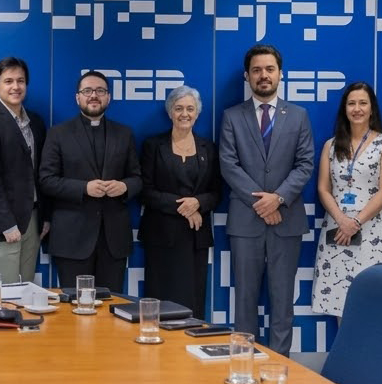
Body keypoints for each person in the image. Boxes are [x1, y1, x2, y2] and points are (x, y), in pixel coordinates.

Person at [219, 44, 315, 357]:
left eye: (269, 69)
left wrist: (279, 199)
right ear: (247, 76)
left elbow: (305, 164)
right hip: (246, 222)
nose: (264, 75)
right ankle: (243, 362)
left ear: (280, 74)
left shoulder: (299, 116)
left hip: (286, 220)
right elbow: (229, 165)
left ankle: (280, 366)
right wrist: (262, 203)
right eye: (257, 70)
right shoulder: (232, 116)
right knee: (245, 298)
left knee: (282, 299)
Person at [39, 70, 141, 293]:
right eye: (88, 91)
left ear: (109, 97)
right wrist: (84, 188)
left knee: (111, 309)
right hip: (72, 240)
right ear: (78, 97)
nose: (94, 95)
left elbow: (137, 178)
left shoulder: (124, 134)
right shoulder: (58, 133)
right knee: (74, 311)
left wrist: (124, 187)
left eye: (100, 91)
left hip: (113, 241)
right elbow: (46, 180)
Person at [310, 82, 382, 317]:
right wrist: (342, 220)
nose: (357, 108)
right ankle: (348, 354)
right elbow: (323, 189)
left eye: (362, 103)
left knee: (374, 300)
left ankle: (374, 355)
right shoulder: (330, 145)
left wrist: (356, 222)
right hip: (338, 230)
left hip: (371, 231)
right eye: (351, 103)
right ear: (344, 109)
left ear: (372, 109)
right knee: (340, 299)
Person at [139, 85, 221, 319]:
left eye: (190, 109)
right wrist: (185, 207)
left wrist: (198, 203)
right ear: (170, 112)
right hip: (160, 237)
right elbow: (145, 190)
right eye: (178, 108)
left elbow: (216, 192)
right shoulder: (153, 146)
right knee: (160, 304)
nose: (184, 114)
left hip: (195, 238)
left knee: (192, 304)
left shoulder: (208, 148)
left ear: (197, 113)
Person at [0, 57, 48, 285]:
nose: (15, 87)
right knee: (4, 295)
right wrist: (7, 223)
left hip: (32, 219)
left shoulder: (35, 121)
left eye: (20, 81)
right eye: (8, 81)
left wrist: (44, 216)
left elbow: (40, 173)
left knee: (25, 289)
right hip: (2, 224)